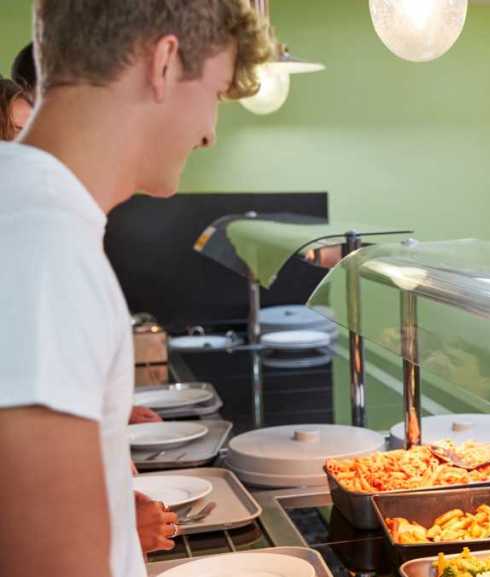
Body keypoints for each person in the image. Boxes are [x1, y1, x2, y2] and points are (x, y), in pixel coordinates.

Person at [0, 3, 273, 577]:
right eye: (215, 93)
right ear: (165, 64)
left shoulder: (34, 219)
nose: (209, 133)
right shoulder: (42, 245)